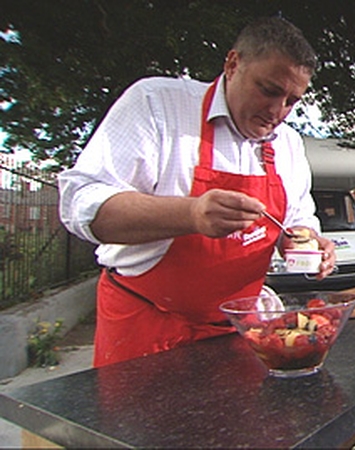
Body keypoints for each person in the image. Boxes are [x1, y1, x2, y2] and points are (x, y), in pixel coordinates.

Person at [58, 17, 336, 367]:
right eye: (268, 90)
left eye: (291, 101)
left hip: (239, 332)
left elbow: (297, 217)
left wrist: (306, 242)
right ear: (232, 64)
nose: (277, 111)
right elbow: (81, 203)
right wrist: (190, 214)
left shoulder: (288, 143)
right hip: (146, 329)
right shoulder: (157, 103)